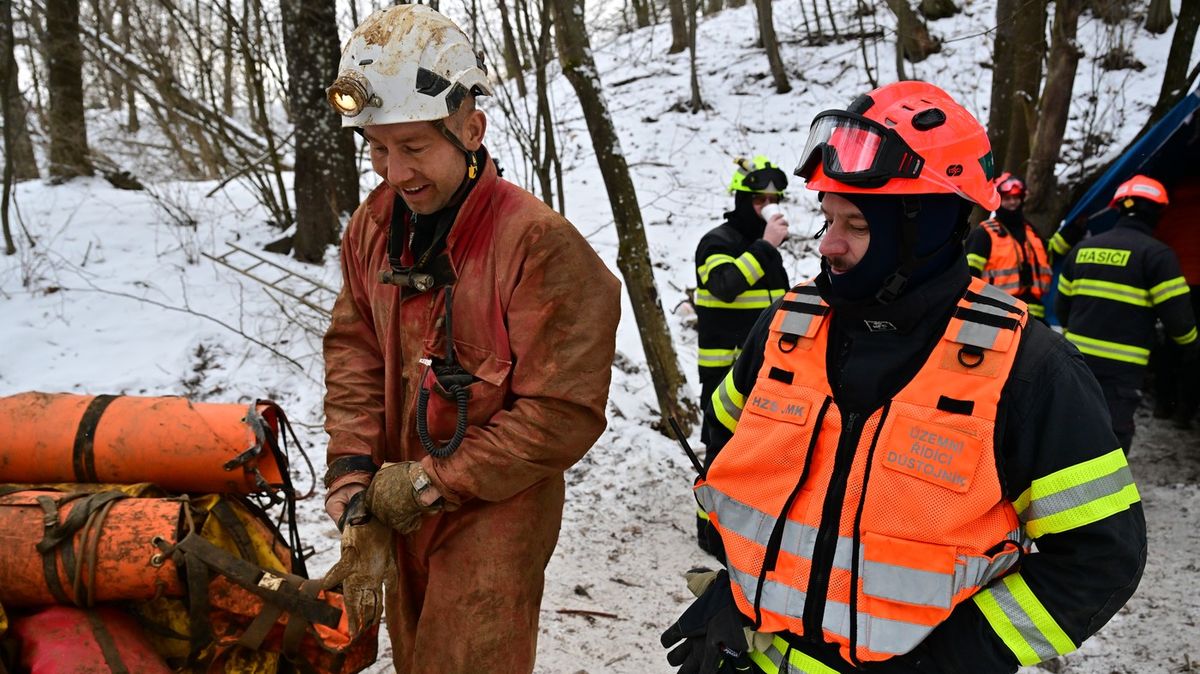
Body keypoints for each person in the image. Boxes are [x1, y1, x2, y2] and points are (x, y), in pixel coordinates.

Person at [663, 81, 1146, 674]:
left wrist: (958, 657)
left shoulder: (1027, 369)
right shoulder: (788, 326)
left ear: (929, 230)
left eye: (859, 227)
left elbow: (1100, 556)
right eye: (827, 217)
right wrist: (736, 588)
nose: (829, 246)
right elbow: (731, 451)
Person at [318, 6, 621, 672]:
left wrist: (432, 483)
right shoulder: (374, 227)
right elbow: (355, 352)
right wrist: (352, 475)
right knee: (414, 658)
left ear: (470, 129)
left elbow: (562, 412)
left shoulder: (540, 245)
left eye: (414, 147)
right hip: (397, 500)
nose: (394, 172)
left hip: (496, 509)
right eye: (377, 148)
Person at [693, 155, 791, 554]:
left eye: (774, 198)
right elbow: (725, 286)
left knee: (759, 456)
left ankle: (746, 529)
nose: (767, 205)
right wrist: (766, 246)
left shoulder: (765, 250)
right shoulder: (716, 242)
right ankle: (710, 532)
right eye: (758, 200)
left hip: (766, 374)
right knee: (720, 454)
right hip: (722, 373)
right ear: (740, 200)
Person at [1057, 175, 1198, 452]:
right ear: (1157, 212)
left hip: (1076, 359)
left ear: (1118, 208)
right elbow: (1179, 322)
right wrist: (1192, 347)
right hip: (1121, 371)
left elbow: (1062, 309)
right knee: (1110, 438)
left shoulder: (1083, 250)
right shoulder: (1158, 256)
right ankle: (1103, 495)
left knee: (1071, 427)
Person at [964, 173, 1081, 322]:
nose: (1013, 203)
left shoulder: (1030, 231)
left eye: (1016, 198)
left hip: (1034, 315)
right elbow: (970, 276)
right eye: (1007, 199)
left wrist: (1074, 229)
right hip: (998, 313)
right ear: (999, 200)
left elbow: (1050, 254)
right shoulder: (983, 233)